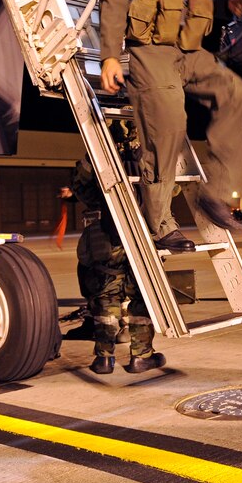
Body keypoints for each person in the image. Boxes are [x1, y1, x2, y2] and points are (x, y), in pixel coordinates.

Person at [97, 0, 242, 252]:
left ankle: (215, 193)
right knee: (168, 124)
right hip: (148, 51)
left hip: (187, 49)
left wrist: (223, 3)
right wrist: (109, 57)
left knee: (236, 93)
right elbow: (112, 0)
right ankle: (160, 221)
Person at [71, 157, 163, 375]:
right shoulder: (144, 160)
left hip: (104, 240)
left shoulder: (99, 162)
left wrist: (89, 159)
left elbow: (78, 184)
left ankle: (104, 359)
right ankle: (141, 357)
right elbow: (168, 190)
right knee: (141, 299)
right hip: (137, 237)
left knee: (106, 298)